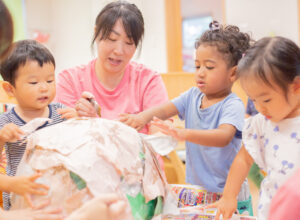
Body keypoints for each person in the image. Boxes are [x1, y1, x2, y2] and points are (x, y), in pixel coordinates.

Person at [120, 21, 253, 214]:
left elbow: (223, 136)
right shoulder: (192, 96)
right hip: (199, 192)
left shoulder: (232, 104)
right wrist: (141, 118)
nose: (200, 73)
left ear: (232, 73)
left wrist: (185, 134)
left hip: (229, 195)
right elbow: (165, 110)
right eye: (197, 65)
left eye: (209, 67)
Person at [209, 36, 300, 220]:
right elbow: (243, 160)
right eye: (253, 100)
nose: (259, 108)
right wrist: (228, 196)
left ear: (296, 87)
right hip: (273, 210)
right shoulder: (260, 124)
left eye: (266, 100)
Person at [55, 0, 168, 135]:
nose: (119, 51)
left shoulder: (148, 80)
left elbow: (160, 140)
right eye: (112, 39)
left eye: (128, 42)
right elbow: (65, 138)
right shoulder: (69, 80)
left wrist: (93, 123)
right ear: (96, 33)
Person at [0, 39, 78, 210]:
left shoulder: (60, 112)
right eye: (34, 83)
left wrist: (78, 121)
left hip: (60, 193)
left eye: (50, 80)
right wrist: (2, 138)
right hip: (22, 195)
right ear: (9, 89)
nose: (44, 88)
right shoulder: (5, 121)